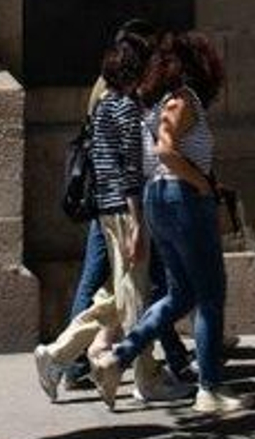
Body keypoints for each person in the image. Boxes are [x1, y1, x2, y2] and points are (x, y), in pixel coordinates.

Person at [32, 30, 193, 404]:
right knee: (134, 298)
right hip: (125, 211)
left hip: (108, 210)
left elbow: (109, 168)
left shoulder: (105, 105)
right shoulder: (126, 109)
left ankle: (62, 356)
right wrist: (137, 224)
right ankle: (146, 378)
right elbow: (129, 172)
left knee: (119, 295)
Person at [91, 31, 242, 417]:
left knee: (179, 295)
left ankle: (118, 358)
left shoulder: (156, 104)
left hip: (158, 200)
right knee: (209, 297)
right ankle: (210, 388)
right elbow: (165, 148)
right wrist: (201, 184)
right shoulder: (183, 99)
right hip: (183, 201)